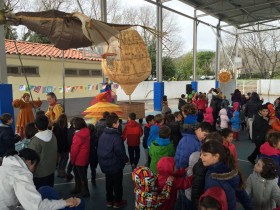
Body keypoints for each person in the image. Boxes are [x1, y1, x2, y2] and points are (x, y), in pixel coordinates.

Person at [0, 148, 82, 210]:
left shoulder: (5, 166)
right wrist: (66, 202)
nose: (34, 171)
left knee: (44, 189)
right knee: (81, 203)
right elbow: (36, 207)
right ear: (29, 162)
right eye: (35, 166)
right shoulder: (21, 174)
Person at [97, 114, 129, 208]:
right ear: (114, 124)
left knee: (109, 183)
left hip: (105, 164)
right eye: (118, 122)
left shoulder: (103, 134)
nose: (119, 123)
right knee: (118, 184)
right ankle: (118, 201)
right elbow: (120, 152)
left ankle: (109, 200)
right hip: (115, 165)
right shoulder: (116, 137)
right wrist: (126, 160)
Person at [200, 140, 240, 210]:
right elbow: (241, 193)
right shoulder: (229, 168)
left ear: (216, 156)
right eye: (201, 154)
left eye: (204, 155)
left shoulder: (213, 180)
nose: (201, 157)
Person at [28, 115, 57, 189]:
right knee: (50, 190)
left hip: (40, 173)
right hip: (51, 169)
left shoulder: (35, 140)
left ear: (35, 126)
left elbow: (31, 158)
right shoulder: (53, 135)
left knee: (41, 193)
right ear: (48, 124)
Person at [70, 117, 90, 197]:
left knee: (81, 176)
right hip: (84, 157)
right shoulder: (86, 131)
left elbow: (74, 150)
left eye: (74, 124)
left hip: (78, 159)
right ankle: (78, 188)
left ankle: (85, 191)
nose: (73, 125)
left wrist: (72, 160)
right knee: (80, 174)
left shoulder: (77, 135)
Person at [53, 114, 69, 178]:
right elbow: (66, 138)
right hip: (64, 147)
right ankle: (62, 171)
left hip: (58, 146)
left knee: (61, 159)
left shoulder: (56, 127)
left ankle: (59, 171)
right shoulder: (65, 128)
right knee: (65, 159)